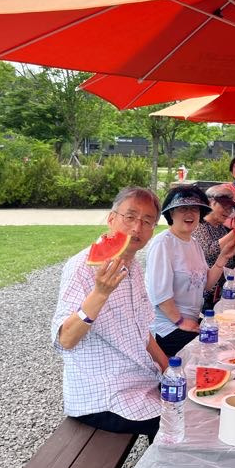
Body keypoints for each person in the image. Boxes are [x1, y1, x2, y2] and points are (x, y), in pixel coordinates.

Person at [51, 186, 167, 443]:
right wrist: (100, 294)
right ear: (111, 218)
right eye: (130, 217)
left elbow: (143, 332)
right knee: (175, 421)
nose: (137, 228)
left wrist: (168, 368)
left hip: (139, 378)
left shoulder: (133, 267)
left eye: (147, 221)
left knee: (186, 404)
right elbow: (65, 340)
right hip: (102, 395)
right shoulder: (81, 267)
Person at [145, 185, 235, 357]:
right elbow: (159, 294)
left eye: (194, 209)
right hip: (167, 328)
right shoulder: (163, 244)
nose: (190, 214)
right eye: (183, 208)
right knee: (216, 354)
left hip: (190, 321)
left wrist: (223, 257)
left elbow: (205, 284)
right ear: (171, 213)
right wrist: (180, 321)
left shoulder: (193, 243)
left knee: (231, 338)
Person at [193, 184, 235, 309]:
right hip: (210, 295)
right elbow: (210, 252)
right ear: (210, 203)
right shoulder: (200, 226)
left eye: (231, 208)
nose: (228, 211)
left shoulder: (220, 227)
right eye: (224, 206)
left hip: (227, 286)